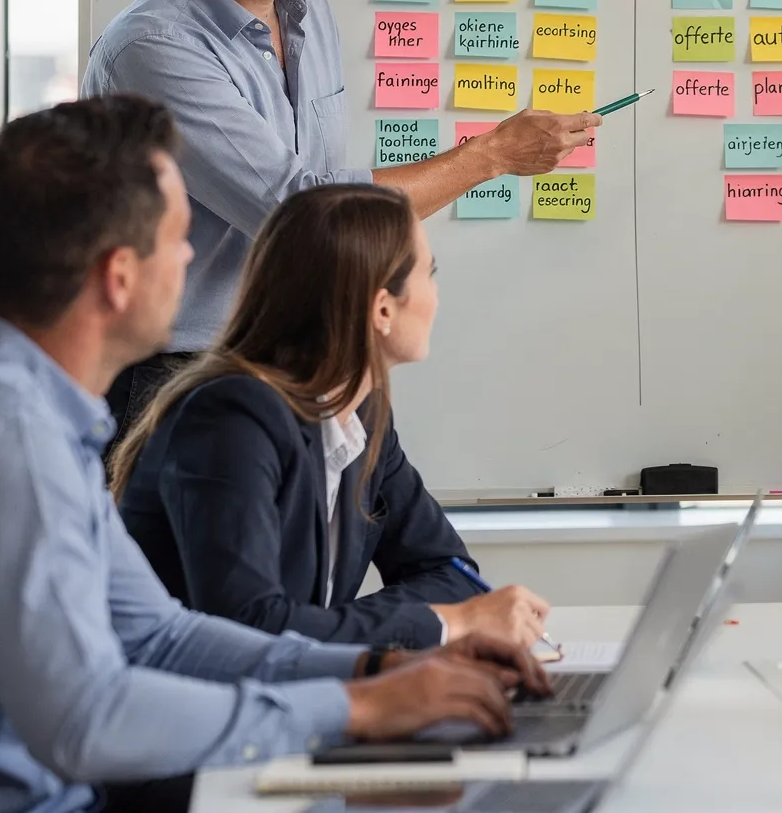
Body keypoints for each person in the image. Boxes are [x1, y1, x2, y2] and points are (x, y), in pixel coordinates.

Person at [0, 96, 551, 813]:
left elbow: (159, 636)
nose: (196, 261)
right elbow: (86, 719)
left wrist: (377, 667)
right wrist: (355, 708)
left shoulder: (33, 411)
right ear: (119, 276)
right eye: (182, 238)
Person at [80, 0, 599, 450]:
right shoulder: (152, 50)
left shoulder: (305, 11)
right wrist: (490, 156)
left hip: (299, 364)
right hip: (179, 382)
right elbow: (301, 211)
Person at [109, 184, 549, 650]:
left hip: (291, 700)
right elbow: (248, 628)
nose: (437, 297)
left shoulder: (362, 413)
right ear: (382, 308)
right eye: (430, 275)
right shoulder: (232, 418)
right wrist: (446, 625)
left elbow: (449, 572)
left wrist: (326, 626)